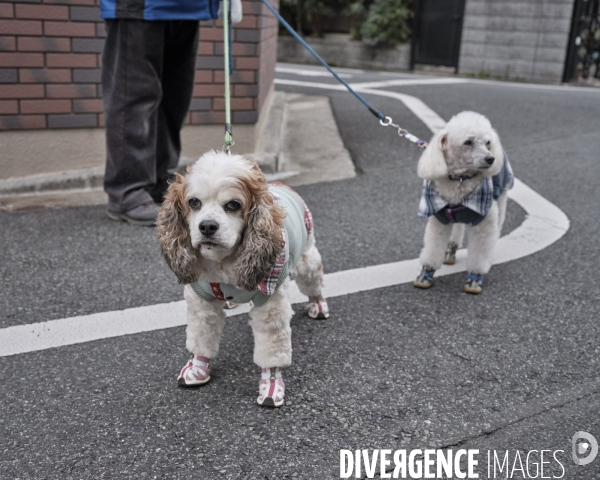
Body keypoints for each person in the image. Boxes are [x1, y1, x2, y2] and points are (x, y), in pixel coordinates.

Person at [100, 0, 242, 226]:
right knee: (133, 96)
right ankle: (127, 190)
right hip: (140, 6)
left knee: (175, 98)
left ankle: (156, 180)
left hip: (188, 8)